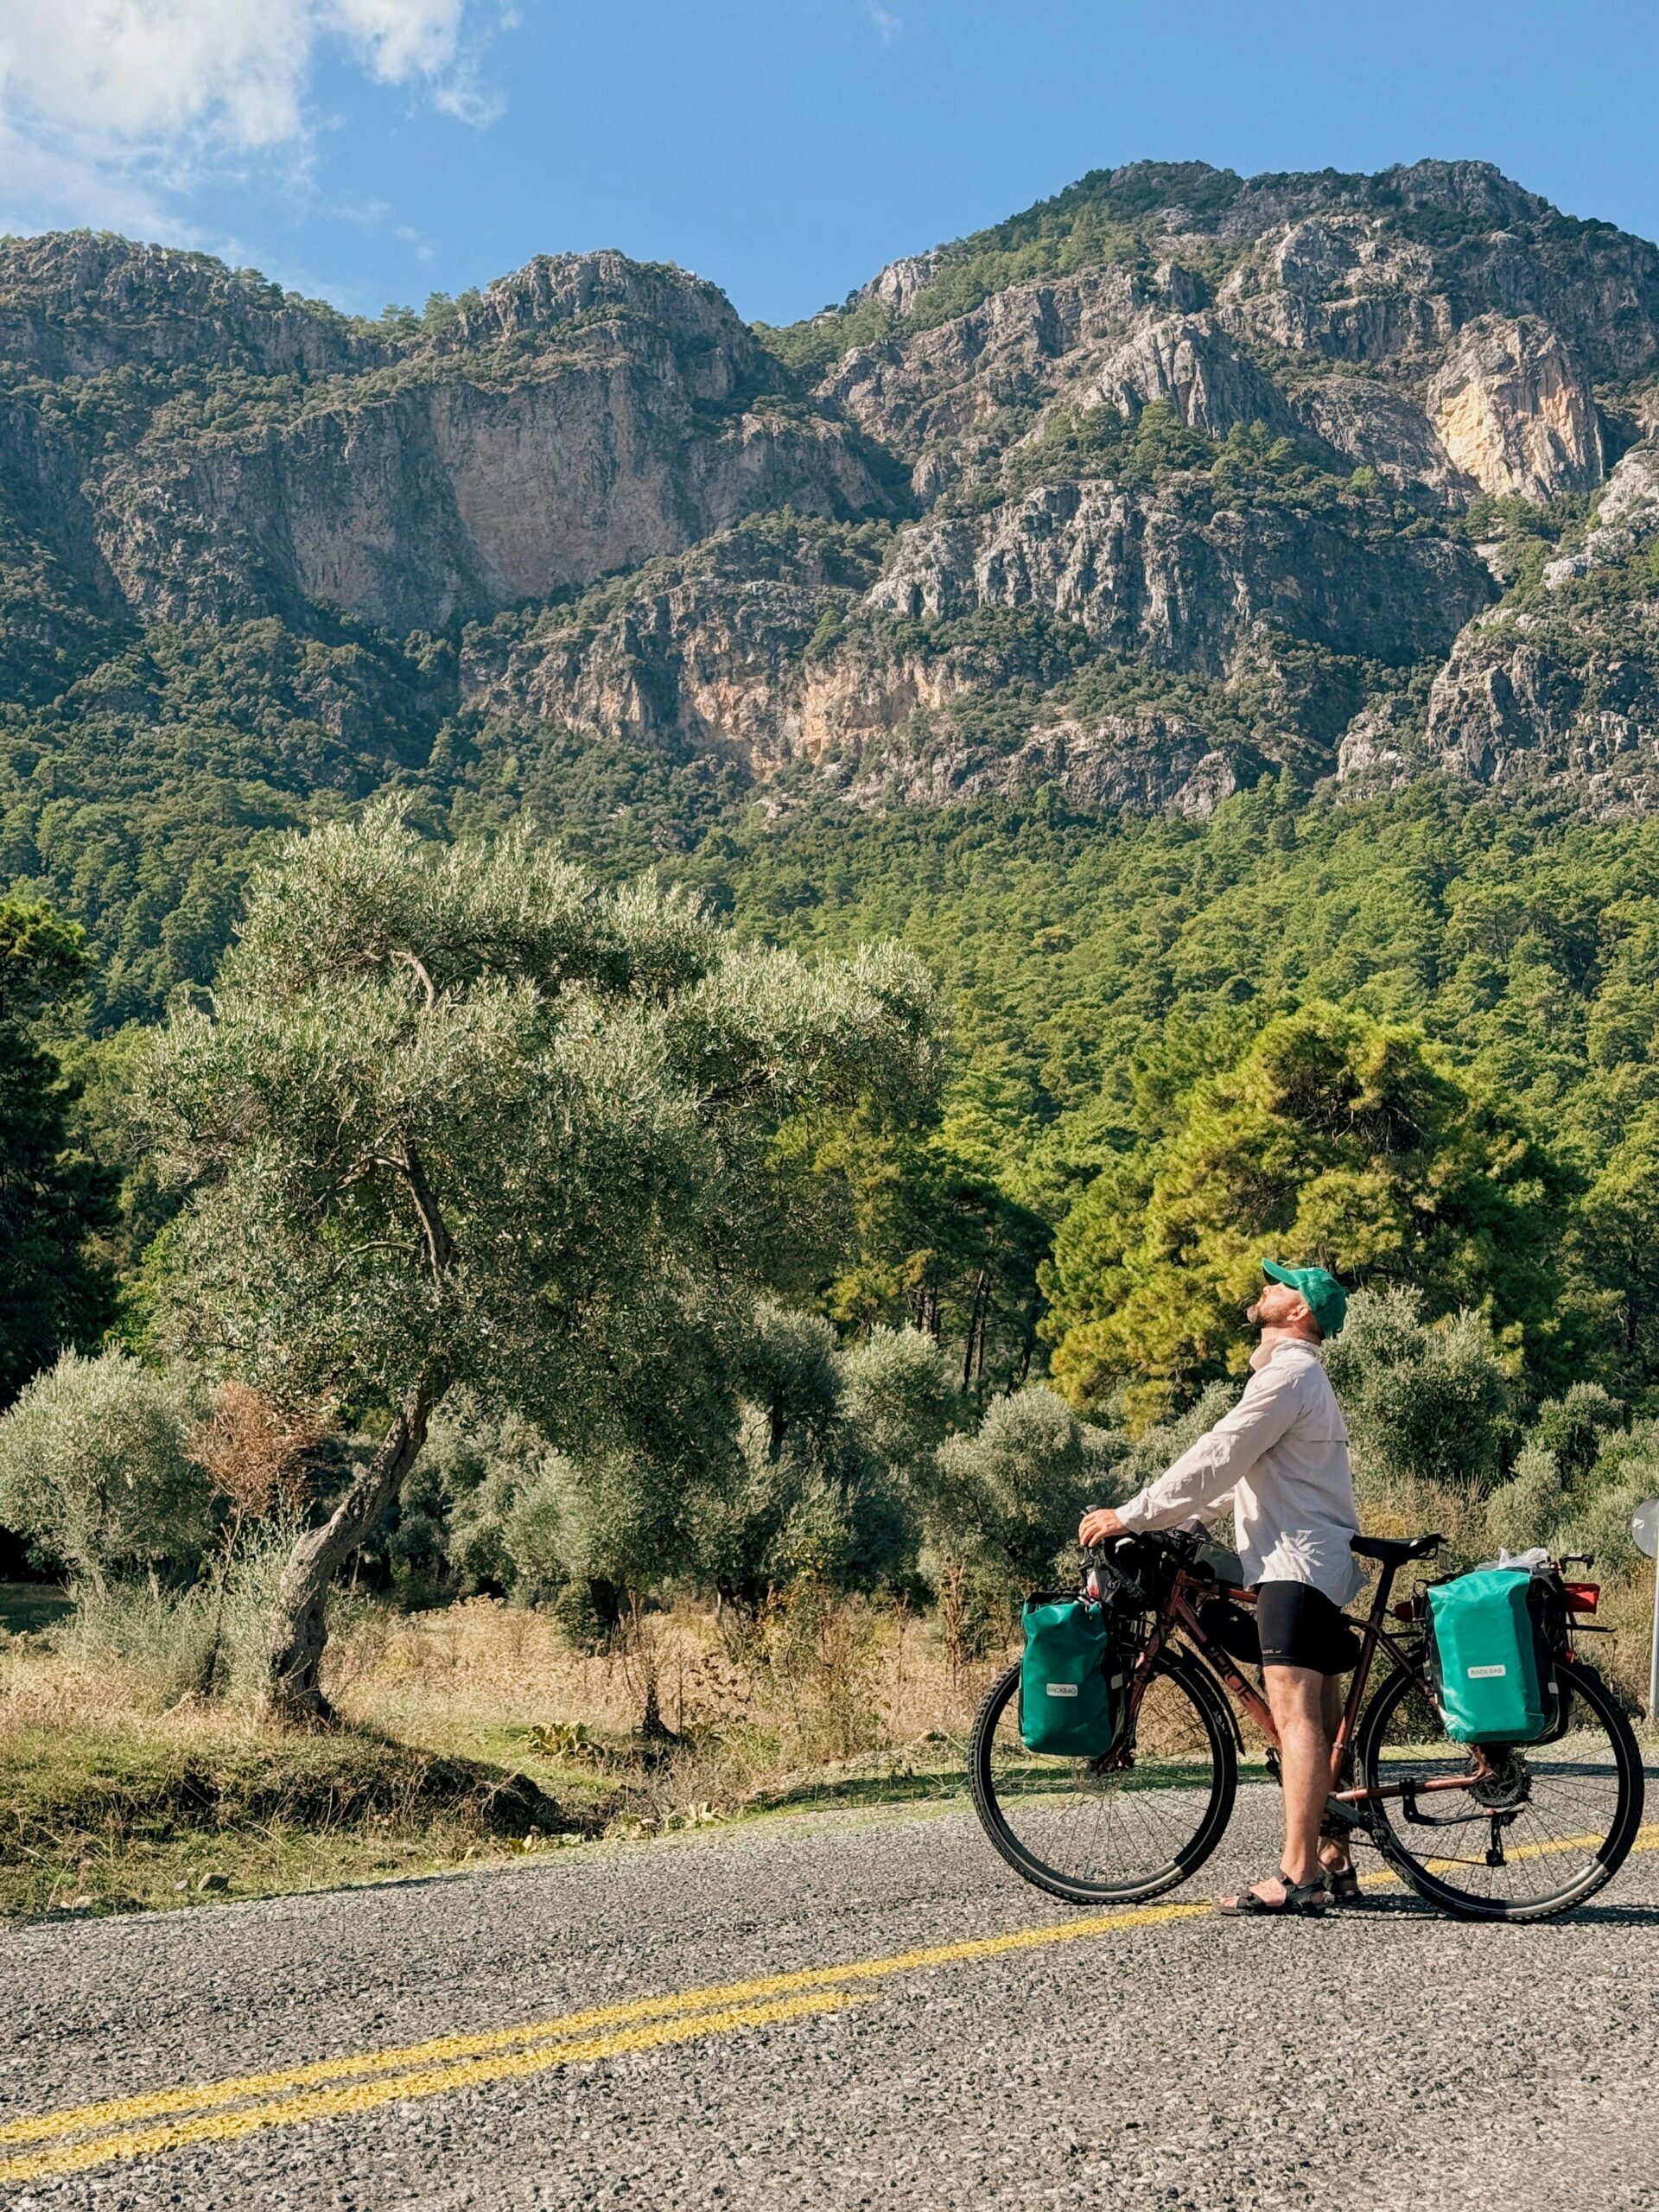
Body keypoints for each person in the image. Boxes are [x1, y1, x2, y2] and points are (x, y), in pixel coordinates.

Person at [1078, 1259, 1360, 1917]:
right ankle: (1335, 1860)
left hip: (1294, 1565)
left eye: (1280, 1285)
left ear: (1300, 1313)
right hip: (1317, 1561)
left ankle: (1297, 1876)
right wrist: (1192, 1519)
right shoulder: (1302, 1378)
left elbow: (1219, 1451)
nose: (1266, 1287)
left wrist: (1135, 1514)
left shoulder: (1288, 1375)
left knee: (1294, 1722)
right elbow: (1246, 1472)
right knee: (1318, 1719)